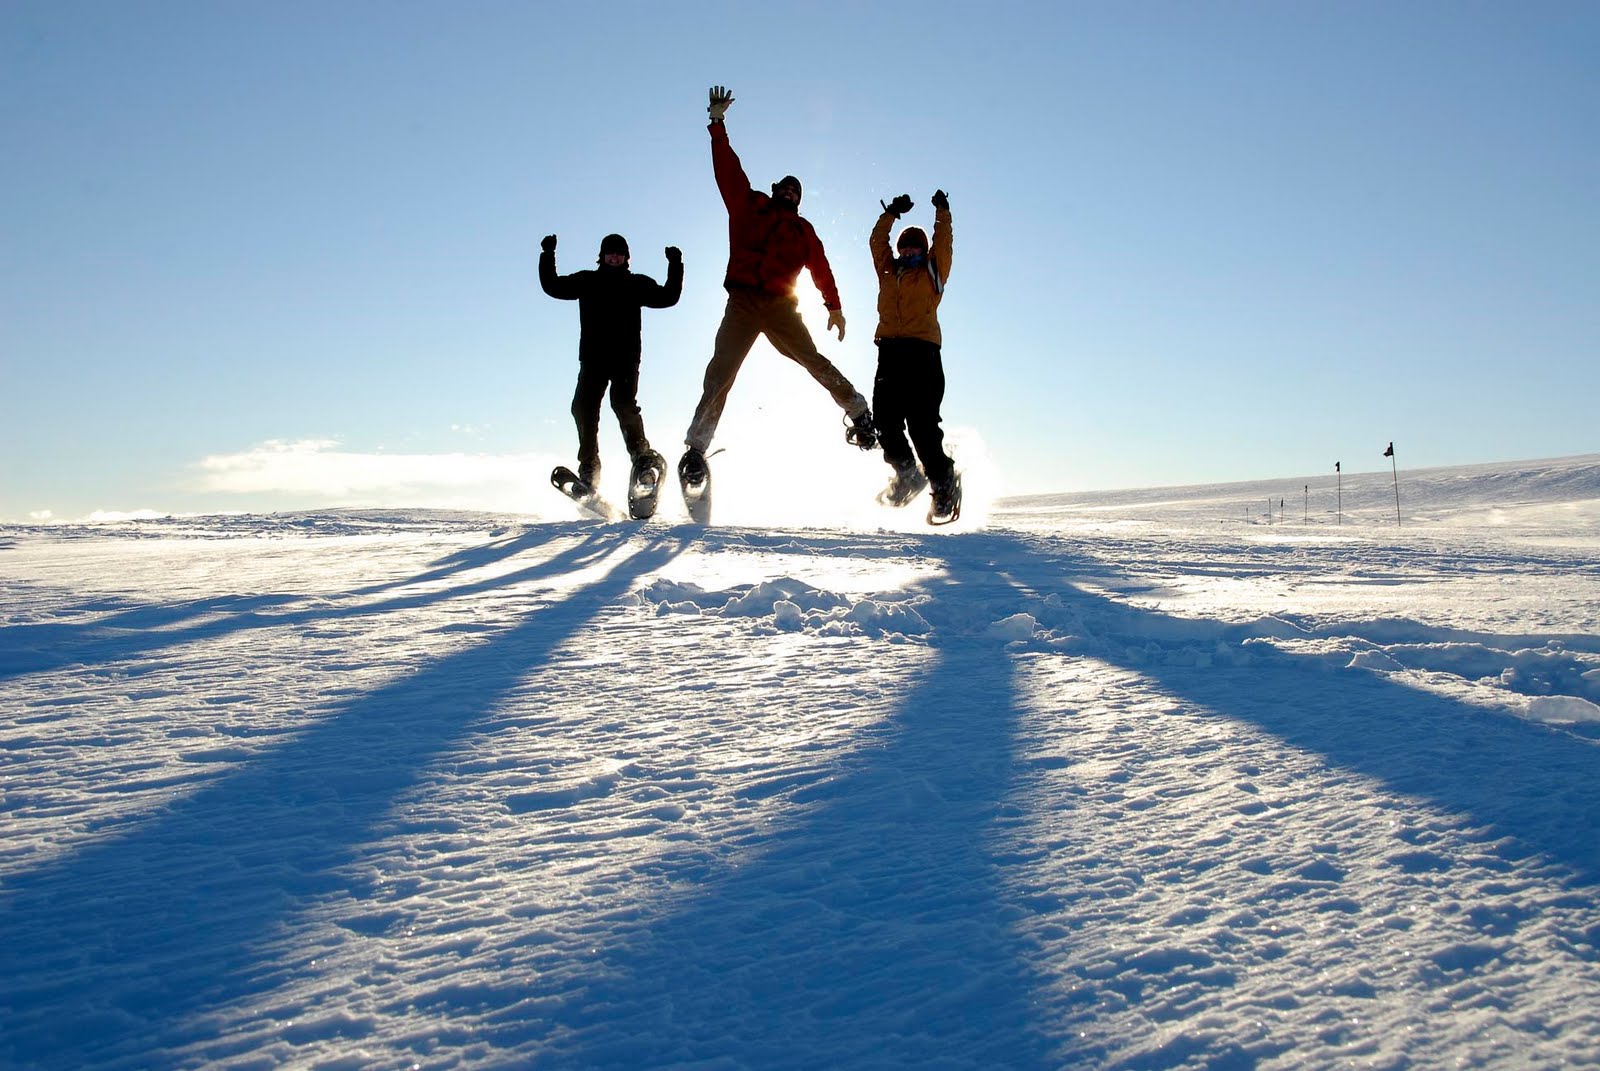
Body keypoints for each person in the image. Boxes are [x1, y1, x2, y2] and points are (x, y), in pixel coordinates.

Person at [679, 85, 876, 490]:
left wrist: (834, 306)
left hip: (782, 307)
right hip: (743, 303)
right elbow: (727, 170)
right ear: (774, 190)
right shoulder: (749, 205)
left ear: (799, 201)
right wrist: (717, 124)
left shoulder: (803, 230)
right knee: (720, 374)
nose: (788, 192)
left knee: (812, 359)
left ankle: (859, 412)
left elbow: (821, 268)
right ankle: (696, 452)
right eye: (784, 187)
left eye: (795, 191)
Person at [539, 232, 682, 499]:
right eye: (610, 252)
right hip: (593, 360)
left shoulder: (636, 284)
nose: (614, 257)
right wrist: (548, 255)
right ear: (602, 256)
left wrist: (675, 264)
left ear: (627, 257)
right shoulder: (587, 281)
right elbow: (553, 286)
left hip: (625, 360)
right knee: (583, 407)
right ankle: (589, 469)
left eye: (619, 253)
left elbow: (668, 297)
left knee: (623, 404)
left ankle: (642, 459)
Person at [870, 190, 961, 523]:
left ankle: (943, 482)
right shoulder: (887, 272)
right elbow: (876, 241)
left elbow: (945, 244)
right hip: (890, 354)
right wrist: (892, 213)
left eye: (915, 246)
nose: (909, 250)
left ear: (923, 250)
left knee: (922, 427)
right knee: (885, 421)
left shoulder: (933, 273)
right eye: (905, 246)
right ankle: (908, 473)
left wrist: (942, 211)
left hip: (923, 354)